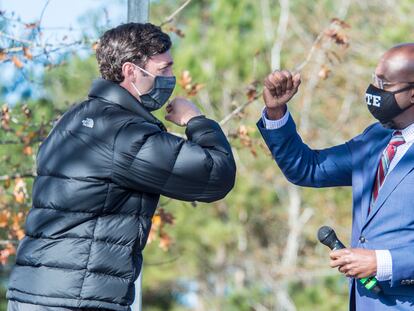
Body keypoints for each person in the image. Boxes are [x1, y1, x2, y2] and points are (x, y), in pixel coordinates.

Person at [6, 23, 236, 311]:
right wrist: (196, 120)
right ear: (130, 71)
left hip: (32, 293)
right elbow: (216, 174)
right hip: (77, 298)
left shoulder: (73, 118)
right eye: (163, 69)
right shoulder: (122, 134)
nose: (171, 78)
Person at [257, 43, 414, 310]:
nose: (374, 91)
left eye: (384, 84)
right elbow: (308, 168)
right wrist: (275, 112)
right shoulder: (374, 139)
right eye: (374, 79)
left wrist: (382, 262)